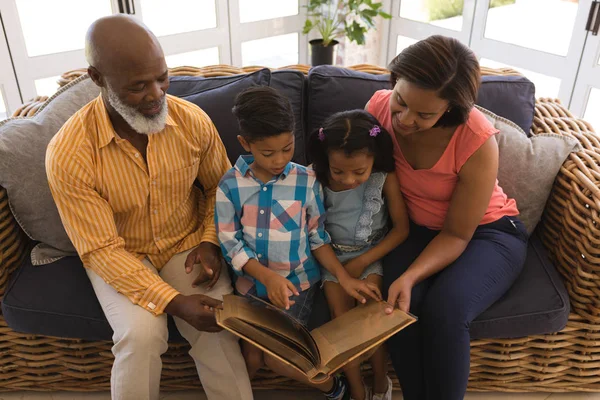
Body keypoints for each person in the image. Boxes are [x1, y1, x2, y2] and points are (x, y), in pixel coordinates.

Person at [45, 15, 253, 400]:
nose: (157, 94)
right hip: (121, 255)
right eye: (138, 86)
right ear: (98, 78)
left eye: (162, 77)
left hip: (187, 243)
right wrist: (174, 303)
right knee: (140, 336)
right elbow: (101, 250)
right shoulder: (68, 153)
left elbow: (221, 191)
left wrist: (210, 241)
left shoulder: (193, 122)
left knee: (220, 324)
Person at [365, 35, 529, 400]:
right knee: (397, 307)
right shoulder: (377, 109)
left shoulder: (476, 140)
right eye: (401, 102)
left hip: (487, 234)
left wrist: (410, 275)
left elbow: (456, 234)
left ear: (450, 110)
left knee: (446, 311)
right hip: (417, 230)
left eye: (424, 114)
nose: (405, 120)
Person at [215, 86, 383, 400]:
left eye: (287, 148)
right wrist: (265, 277)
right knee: (249, 358)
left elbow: (318, 238)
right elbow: (230, 243)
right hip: (250, 289)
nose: (279, 159)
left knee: (274, 357)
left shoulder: (306, 180)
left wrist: (344, 278)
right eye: (267, 153)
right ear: (245, 144)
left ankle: (335, 388)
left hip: (298, 286)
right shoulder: (229, 185)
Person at [307, 109, 410, 400]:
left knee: (368, 320)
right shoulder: (315, 178)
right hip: (329, 256)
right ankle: (356, 390)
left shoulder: (384, 177)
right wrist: (342, 272)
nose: (349, 179)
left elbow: (401, 230)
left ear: (374, 160)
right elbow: (314, 234)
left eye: (359, 172)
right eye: (338, 171)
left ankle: (380, 380)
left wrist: (363, 261)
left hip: (369, 253)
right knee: (342, 322)